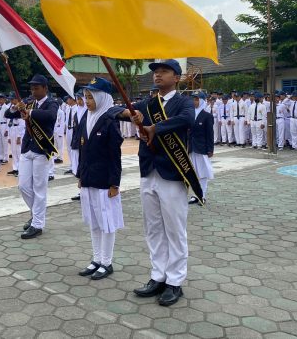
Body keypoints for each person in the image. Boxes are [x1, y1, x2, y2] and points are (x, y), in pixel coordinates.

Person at [118, 59, 196, 306]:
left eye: (164, 71)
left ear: (177, 77)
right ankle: (158, 276)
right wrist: (130, 114)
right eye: (155, 72)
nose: (157, 75)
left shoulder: (183, 102)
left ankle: (175, 281)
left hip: (172, 172)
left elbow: (187, 120)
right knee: (153, 228)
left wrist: (155, 127)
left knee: (174, 229)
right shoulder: (148, 103)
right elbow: (115, 112)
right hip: (148, 171)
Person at [76, 78, 123, 280]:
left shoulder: (109, 120)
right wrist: (80, 175)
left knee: (107, 222)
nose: (87, 101)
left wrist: (114, 183)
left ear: (102, 97)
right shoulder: (86, 118)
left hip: (105, 180)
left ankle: (106, 262)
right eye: (86, 97)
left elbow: (115, 155)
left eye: (91, 97)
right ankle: (96, 259)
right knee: (94, 222)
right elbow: (82, 150)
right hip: (89, 178)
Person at [4, 74, 59, 239]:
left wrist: (30, 112)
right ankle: (36, 214)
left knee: (39, 188)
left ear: (45, 88)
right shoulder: (29, 103)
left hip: (41, 149)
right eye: (32, 88)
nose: (33, 91)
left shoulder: (52, 103)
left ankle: (37, 224)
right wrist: (16, 107)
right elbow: (8, 114)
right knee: (23, 186)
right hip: (27, 149)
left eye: (36, 88)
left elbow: (50, 116)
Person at [188, 92, 214, 205]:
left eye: (196, 99)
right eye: (193, 99)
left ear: (202, 101)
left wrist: (210, 149)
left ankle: (202, 195)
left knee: (203, 172)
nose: (194, 101)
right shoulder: (190, 114)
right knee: (194, 173)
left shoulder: (207, 116)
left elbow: (210, 134)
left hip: (201, 148)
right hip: (191, 148)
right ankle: (195, 195)